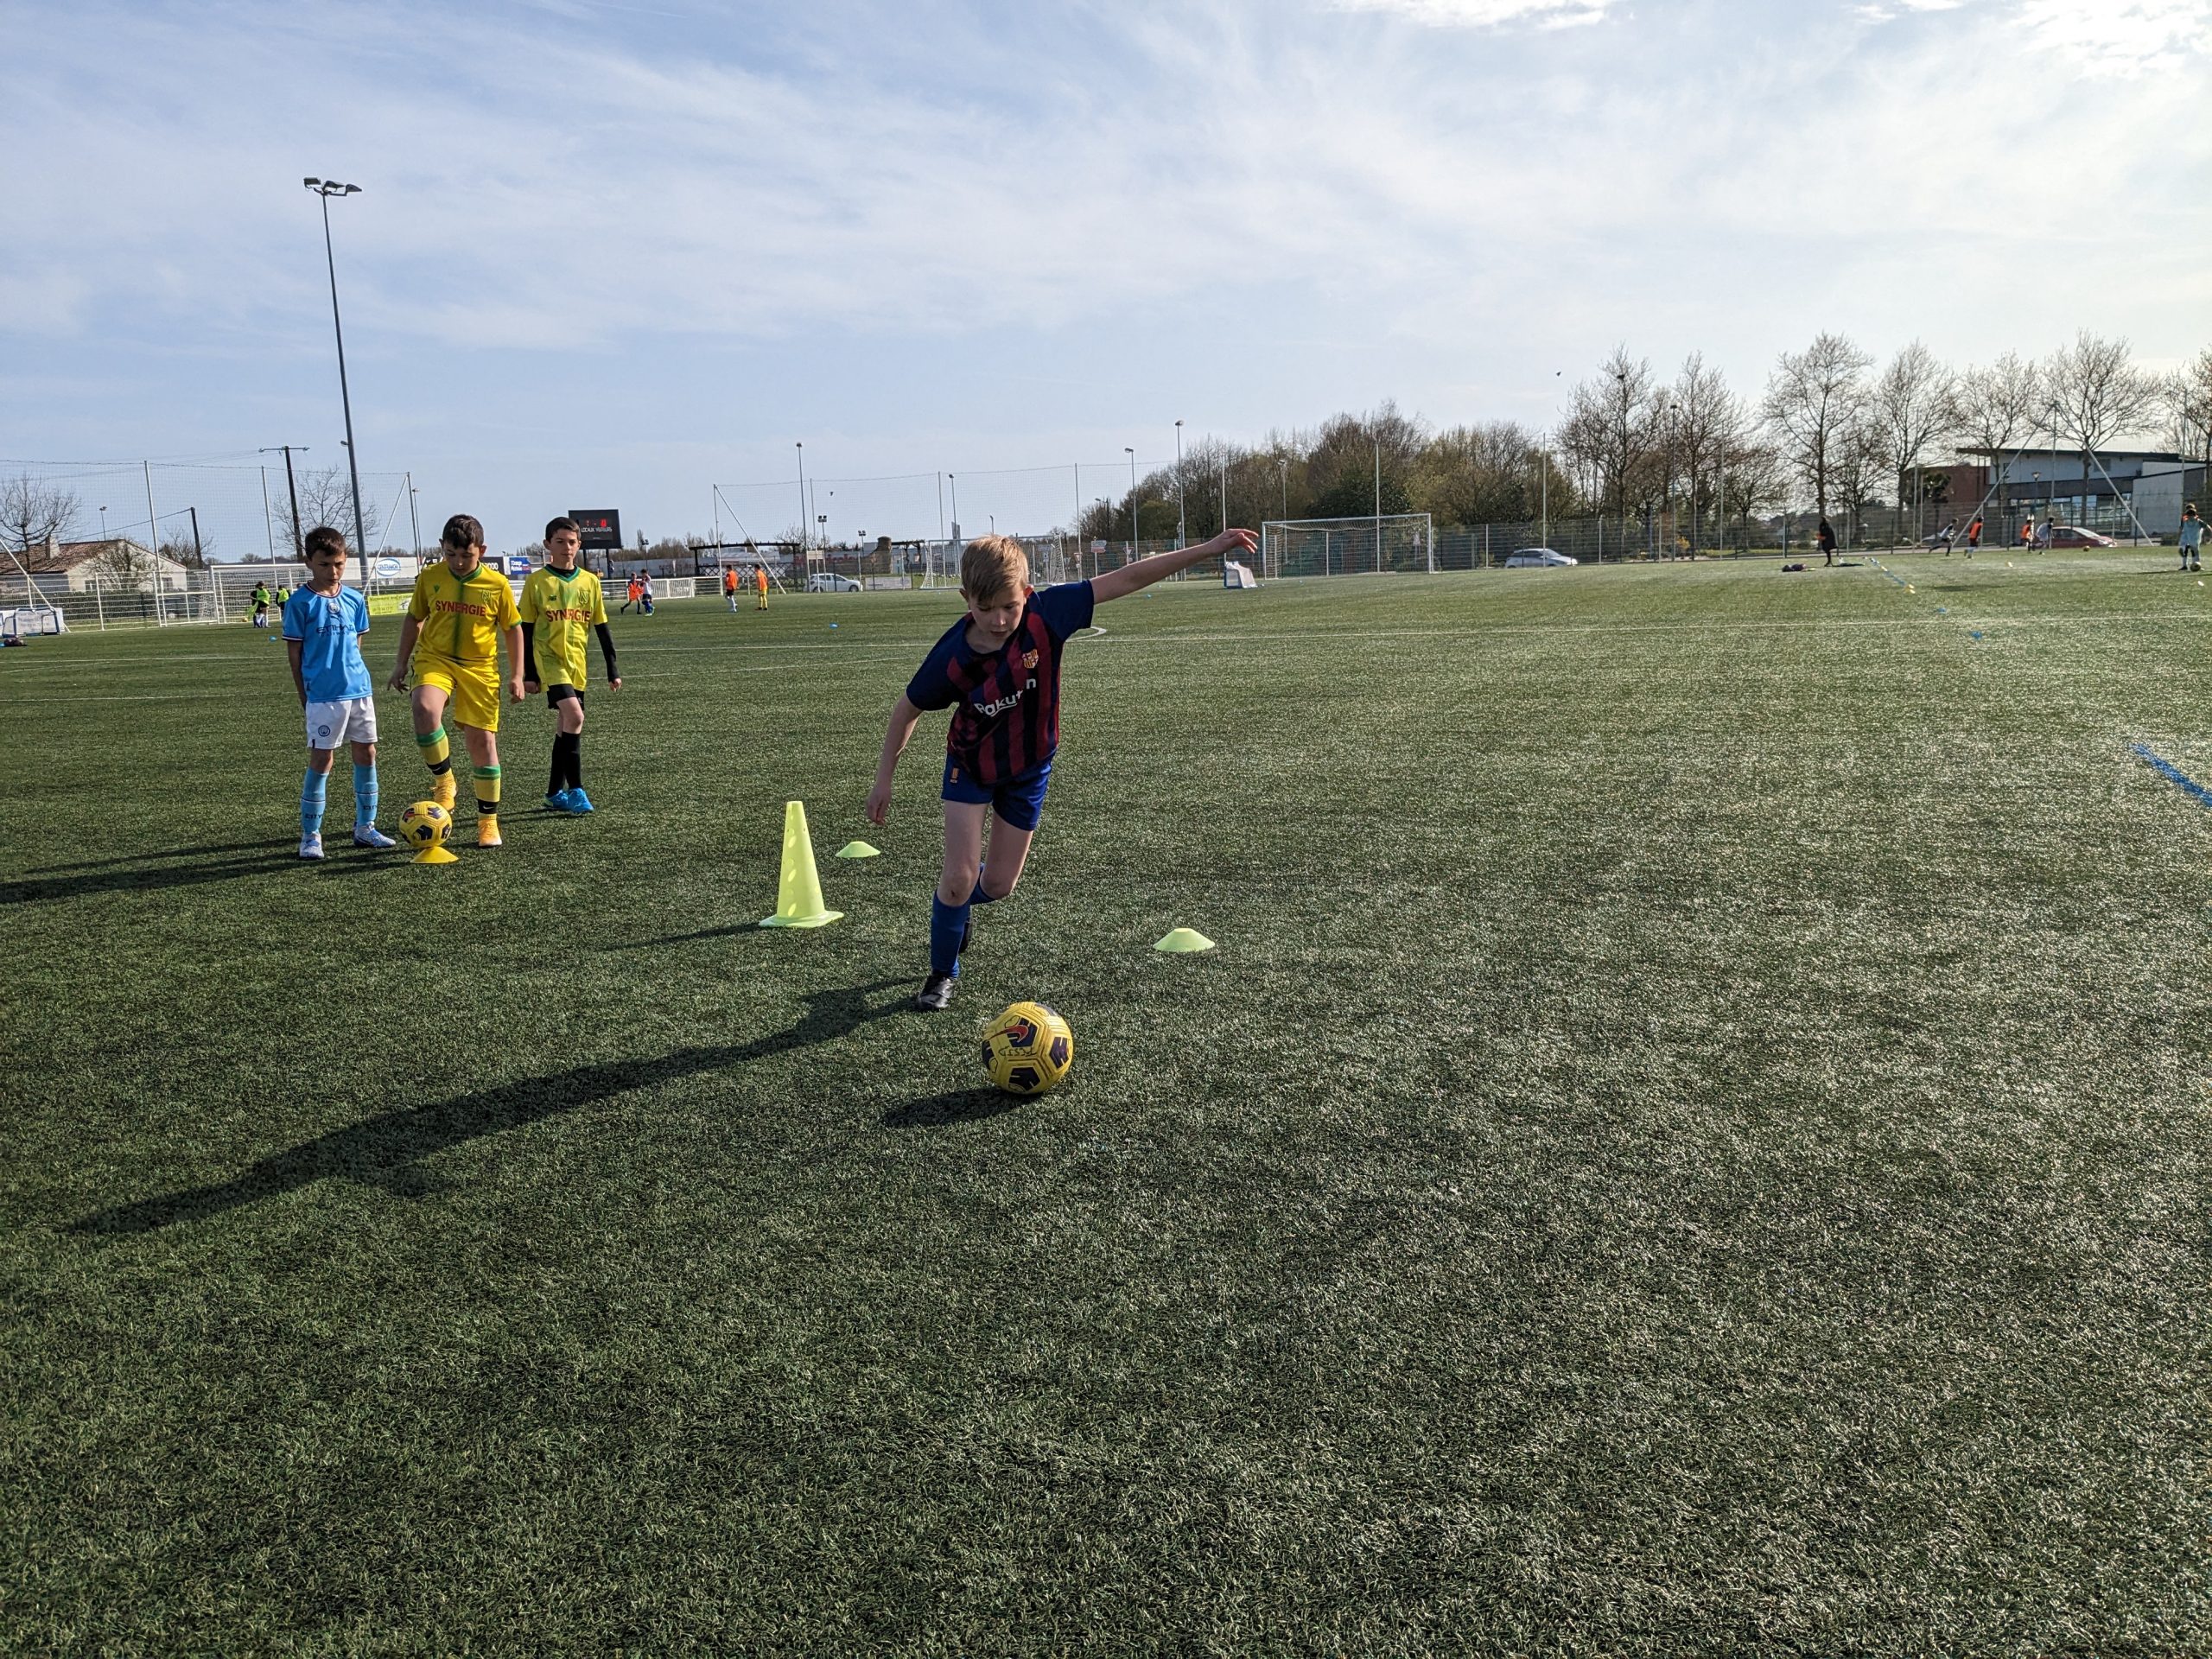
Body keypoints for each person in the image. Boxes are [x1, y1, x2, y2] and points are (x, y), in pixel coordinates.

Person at [866, 527, 1259, 1012]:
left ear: (1026, 594)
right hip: (970, 767)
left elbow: (1126, 578)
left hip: (1029, 768)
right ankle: (941, 973)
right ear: (966, 598)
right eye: (985, 608)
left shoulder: (1047, 615)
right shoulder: (951, 658)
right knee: (958, 875)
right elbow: (906, 711)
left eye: (1009, 606)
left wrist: (1208, 549)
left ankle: (960, 904)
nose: (999, 619)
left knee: (997, 886)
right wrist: (885, 777)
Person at [386, 513, 525, 848]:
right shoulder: (430, 578)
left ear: (483, 550)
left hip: (480, 668)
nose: (459, 562)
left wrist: (518, 675)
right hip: (436, 658)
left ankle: (487, 822)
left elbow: (513, 629)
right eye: (451, 554)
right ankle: (445, 780)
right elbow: (414, 618)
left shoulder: (497, 585)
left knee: (483, 743)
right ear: (441, 548)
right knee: (423, 708)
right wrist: (400, 664)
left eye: (467, 555)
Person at [283, 527, 397, 859]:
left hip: (359, 691)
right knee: (323, 759)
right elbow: (295, 655)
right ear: (309, 562)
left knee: (367, 754)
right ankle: (310, 836)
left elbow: (357, 645)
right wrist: (305, 694)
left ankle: (366, 828)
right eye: (324, 565)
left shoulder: (354, 599)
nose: (333, 572)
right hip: (324, 696)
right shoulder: (299, 603)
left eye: (339, 564)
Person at [519, 515, 620, 814]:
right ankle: (576, 789)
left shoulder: (590, 582)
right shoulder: (536, 582)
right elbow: (524, 630)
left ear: (580, 544)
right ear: (548, 544)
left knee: (566, 728)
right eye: (560, 542)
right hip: (548, 660)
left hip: (577, 663)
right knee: (575, 717)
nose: (566, 547)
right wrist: (529, 673)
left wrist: (612, 668)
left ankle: (553, 792)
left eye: (572, 542)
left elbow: (601, 627)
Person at [2181, 503, 2204, 573]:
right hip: (2187, 536)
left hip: (2192, 537)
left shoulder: (2195, 518)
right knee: (2186, 551)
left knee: (2192, 551)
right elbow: (2182, 526)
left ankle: (2195, 565)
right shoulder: (2185, 518)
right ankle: (2185, 565)